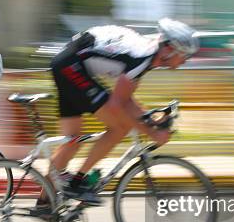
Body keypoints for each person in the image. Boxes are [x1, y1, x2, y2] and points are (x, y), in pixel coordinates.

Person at [45, 18, 199, 207]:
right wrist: (152, 132)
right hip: (71, 66)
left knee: (72, 142)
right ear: (169, 49)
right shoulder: (143, 57)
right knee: (120, 128)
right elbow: (116, 106)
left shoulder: (148, 56)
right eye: (184, 55)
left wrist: (151, 120)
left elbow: (126, 99)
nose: (185, 61)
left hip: (70, 64)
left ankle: (44, 204)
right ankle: (77, 183)